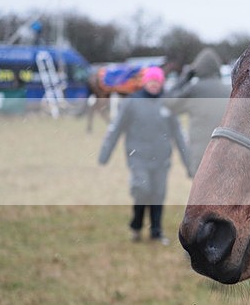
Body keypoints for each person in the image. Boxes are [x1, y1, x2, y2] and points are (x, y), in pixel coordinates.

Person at [98, 66, 190, 245]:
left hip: (162, 158)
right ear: (145, 82)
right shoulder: (131, 102)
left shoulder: (168, 104)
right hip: (138, 156)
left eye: (158, 82)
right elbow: (116, 128)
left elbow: (178, 134)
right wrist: (105, 153)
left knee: (158, 194)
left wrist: (189, 163)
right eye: (151, 81)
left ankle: (156, 231)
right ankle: (136, 224)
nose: (154, 85)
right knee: (142, 189)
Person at [163, 47, 231, 177]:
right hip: (226, 152)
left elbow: (168, 102)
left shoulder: (194, 90)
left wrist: (185, 78)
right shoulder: (228, 90)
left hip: (201, 153)